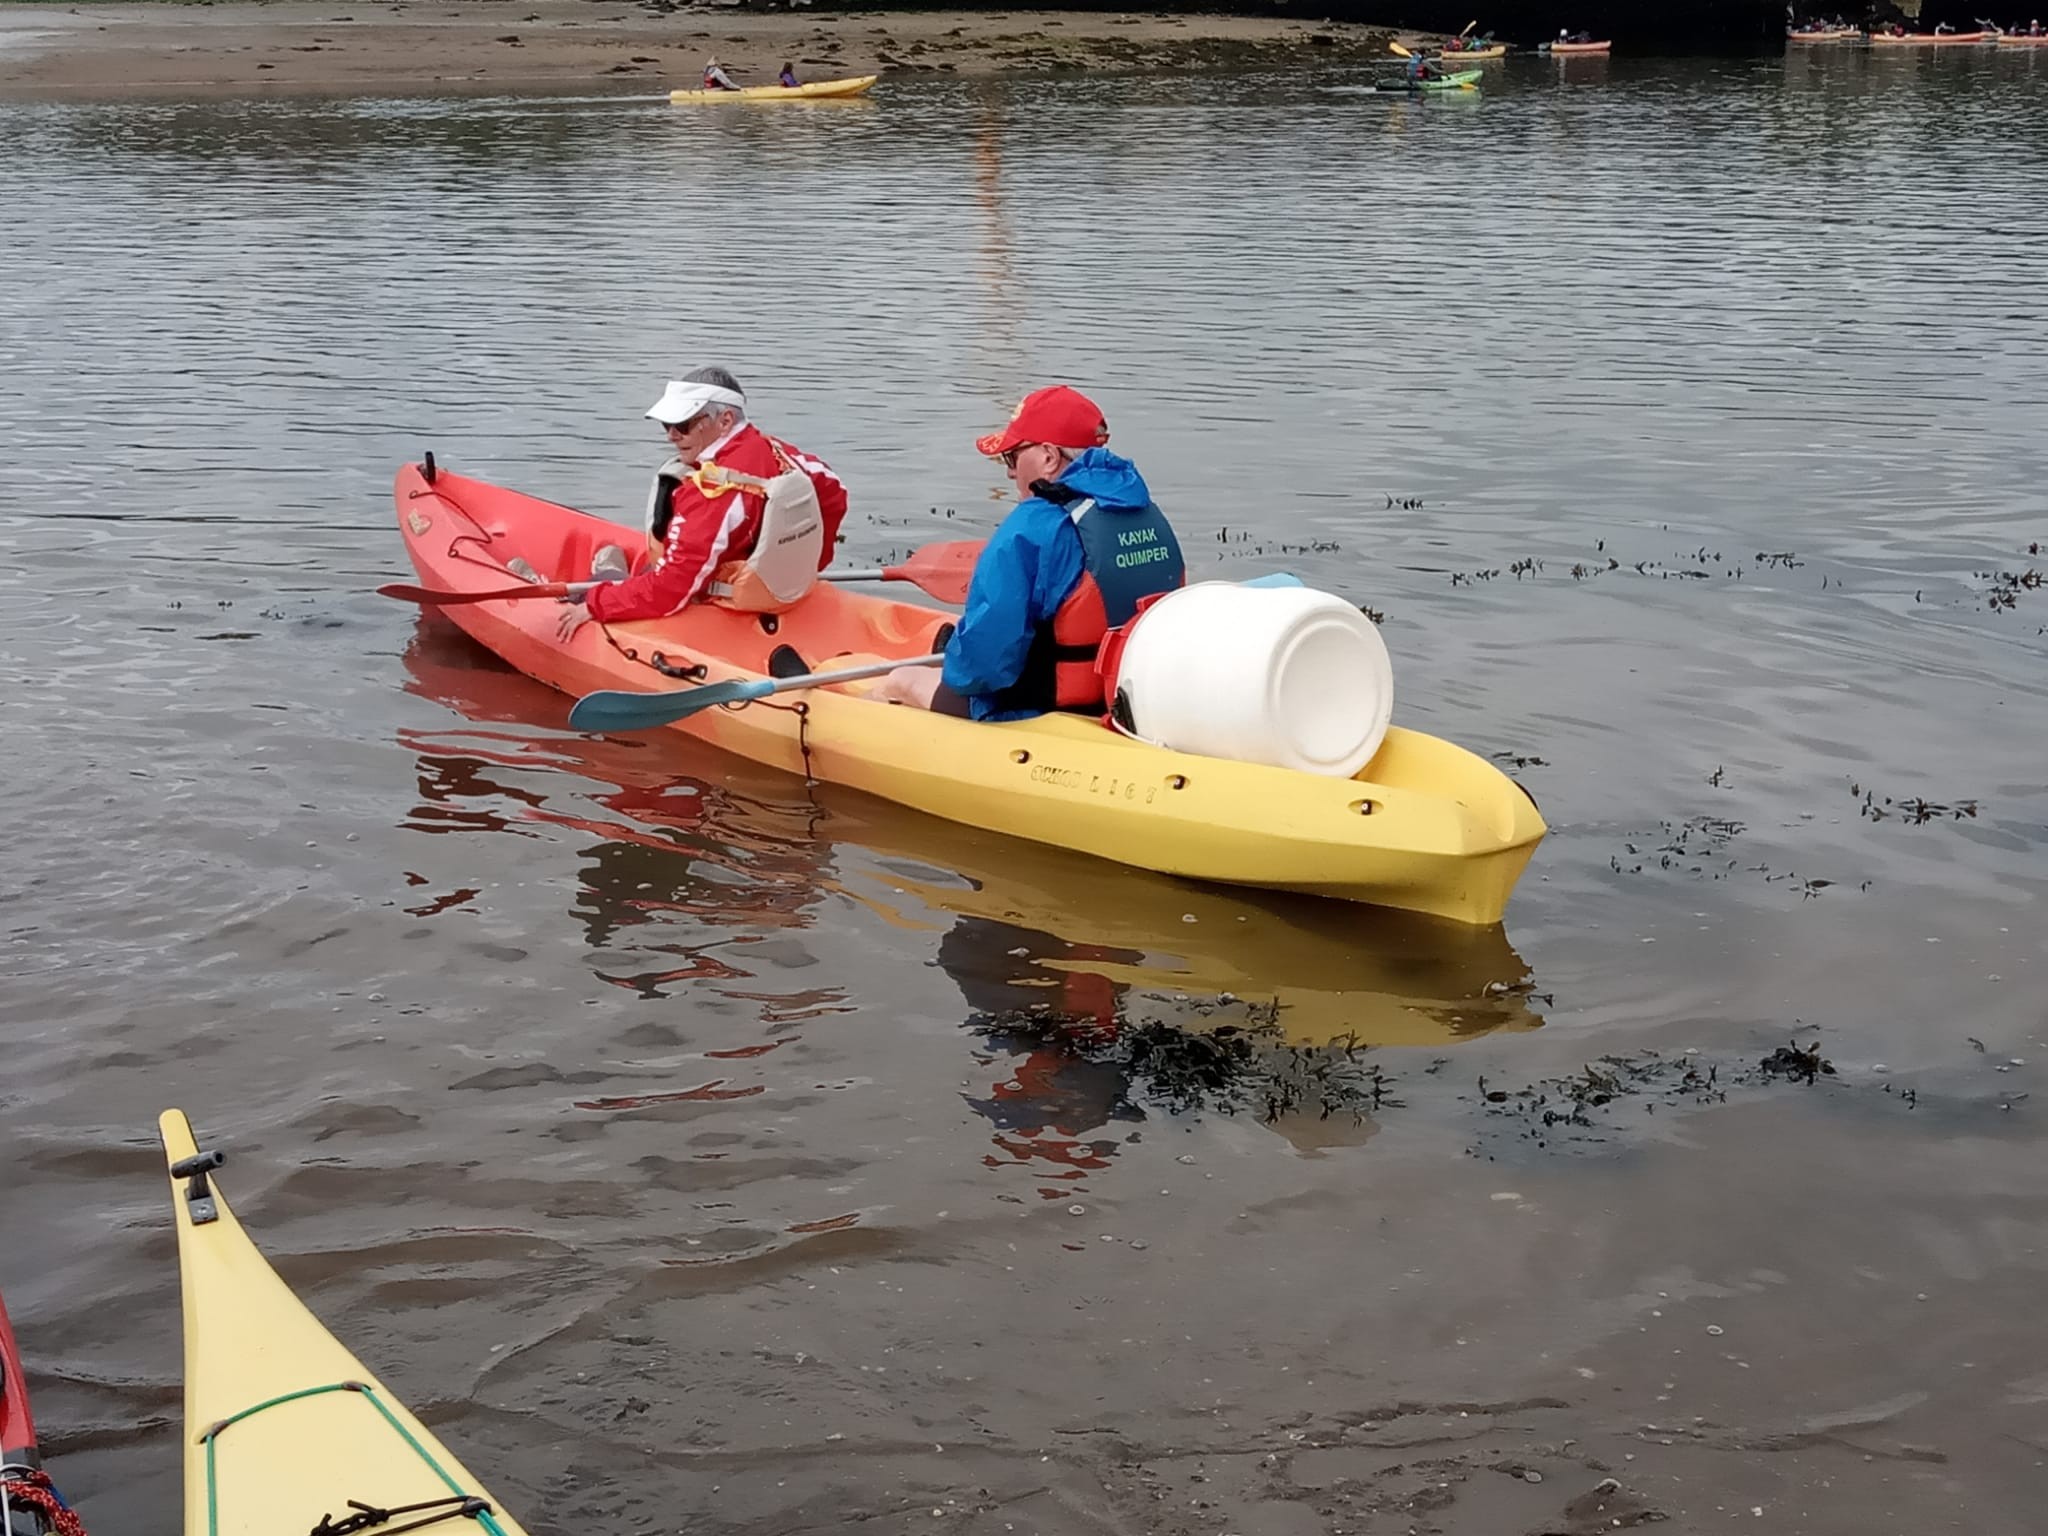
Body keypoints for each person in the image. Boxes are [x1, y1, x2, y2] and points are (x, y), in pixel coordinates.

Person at [875, 386, 1185, 721]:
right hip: (1124, 703)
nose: (1009, 471)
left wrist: (955, 656)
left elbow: (980, 670)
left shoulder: (1031, 527)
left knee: (899, 681)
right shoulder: (1144, 510)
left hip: (1036, 712)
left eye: (1012, 457)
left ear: (1049, 457)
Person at [557, 368, 848, 640]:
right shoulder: (772, 449)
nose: (672, 436)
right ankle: (610, 568)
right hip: (782, 589)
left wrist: (596, 605)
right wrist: (811, 563)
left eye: (683, 425)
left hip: (725, 599)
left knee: (599, 591)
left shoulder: (712, 493)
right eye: (667, 425)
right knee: (650, 571)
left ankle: (592, 580)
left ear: (725, 421)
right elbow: (834, 488)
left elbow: (670, 590)